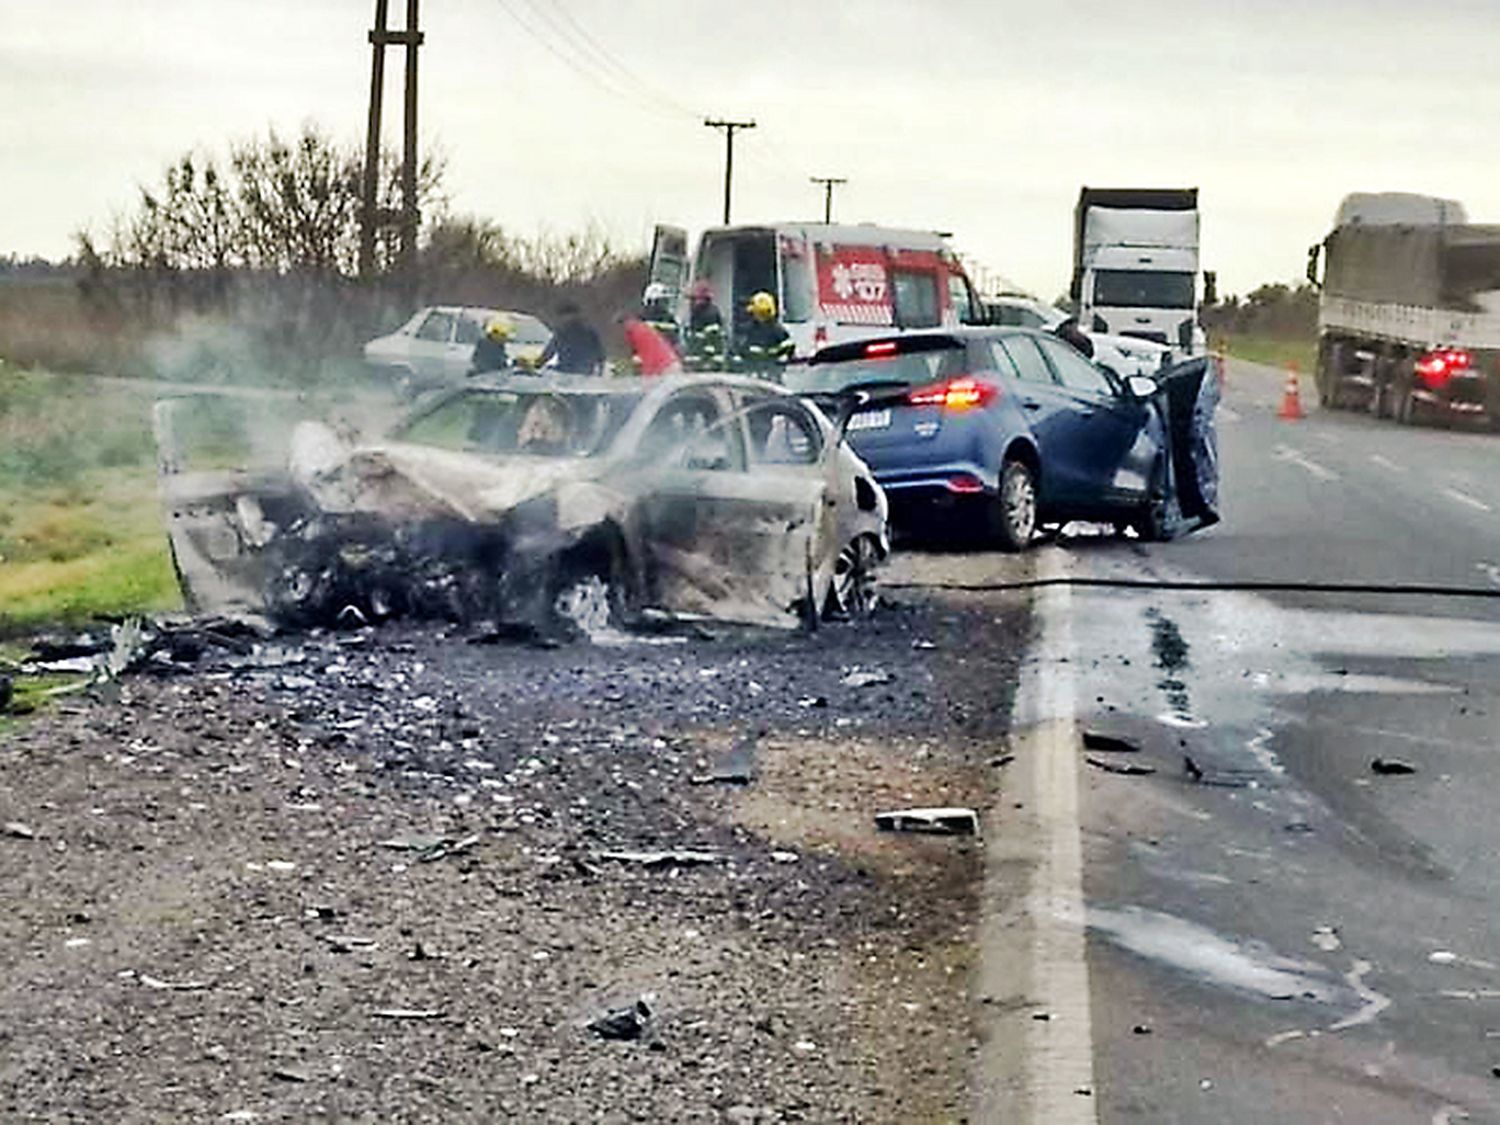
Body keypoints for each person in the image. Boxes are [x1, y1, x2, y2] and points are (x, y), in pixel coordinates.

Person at [732, 290, 794, 381]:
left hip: (772, 375)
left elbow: (788, 349)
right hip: (753, 375)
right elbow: (741, 351)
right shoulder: (750, 329)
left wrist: (780, 361)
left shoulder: (777, 331)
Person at [537, 302, 605, 375]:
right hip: (586, 372)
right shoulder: (590, 332)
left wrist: (536, 366)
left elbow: (548, 354)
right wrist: (599, 373)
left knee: (547, 371)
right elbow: (600, 355)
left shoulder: (562, 333)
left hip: (566, 371)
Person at [681, 281, 727, 372]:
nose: (691, 303)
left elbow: (711, 341)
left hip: (706, 363)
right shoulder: (696, 314)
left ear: (704, 299)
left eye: (694, 299)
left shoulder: (709, 315)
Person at [638, 282, 679, 349]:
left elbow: (675, 340)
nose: (666, 303)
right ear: (652, 302)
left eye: (666, 300)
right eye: (662, 300)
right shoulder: (643, 317)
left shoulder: (669, 318)